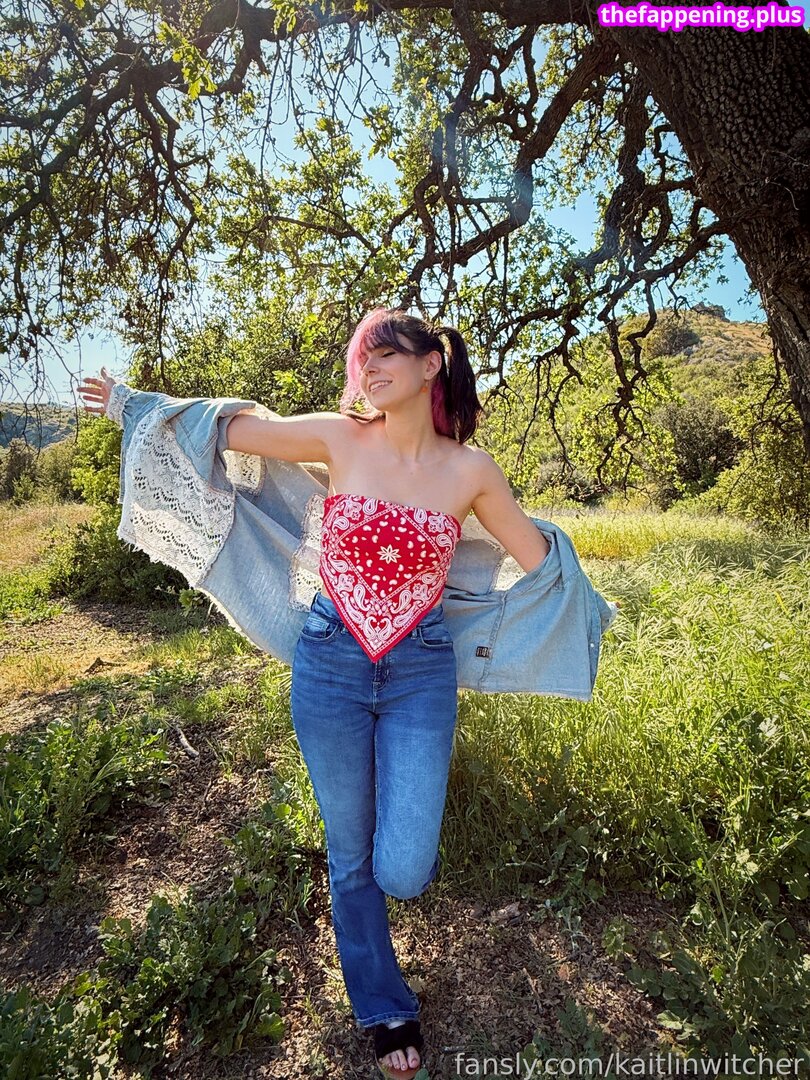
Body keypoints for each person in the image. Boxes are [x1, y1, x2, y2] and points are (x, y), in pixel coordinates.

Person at [79, 308, 555, 1079]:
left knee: (404, 869)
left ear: (430, 364)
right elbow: (228, 429)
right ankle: (384, 1006)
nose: (370, 369)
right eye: (363, 359)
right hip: (330, 666)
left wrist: (587, 603)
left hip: (421, 675)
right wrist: (132, 404)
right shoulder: (340, 438)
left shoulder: (472, 471)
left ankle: (386, 882)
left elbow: (537, 562)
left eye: (387, 354)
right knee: (350, 853)